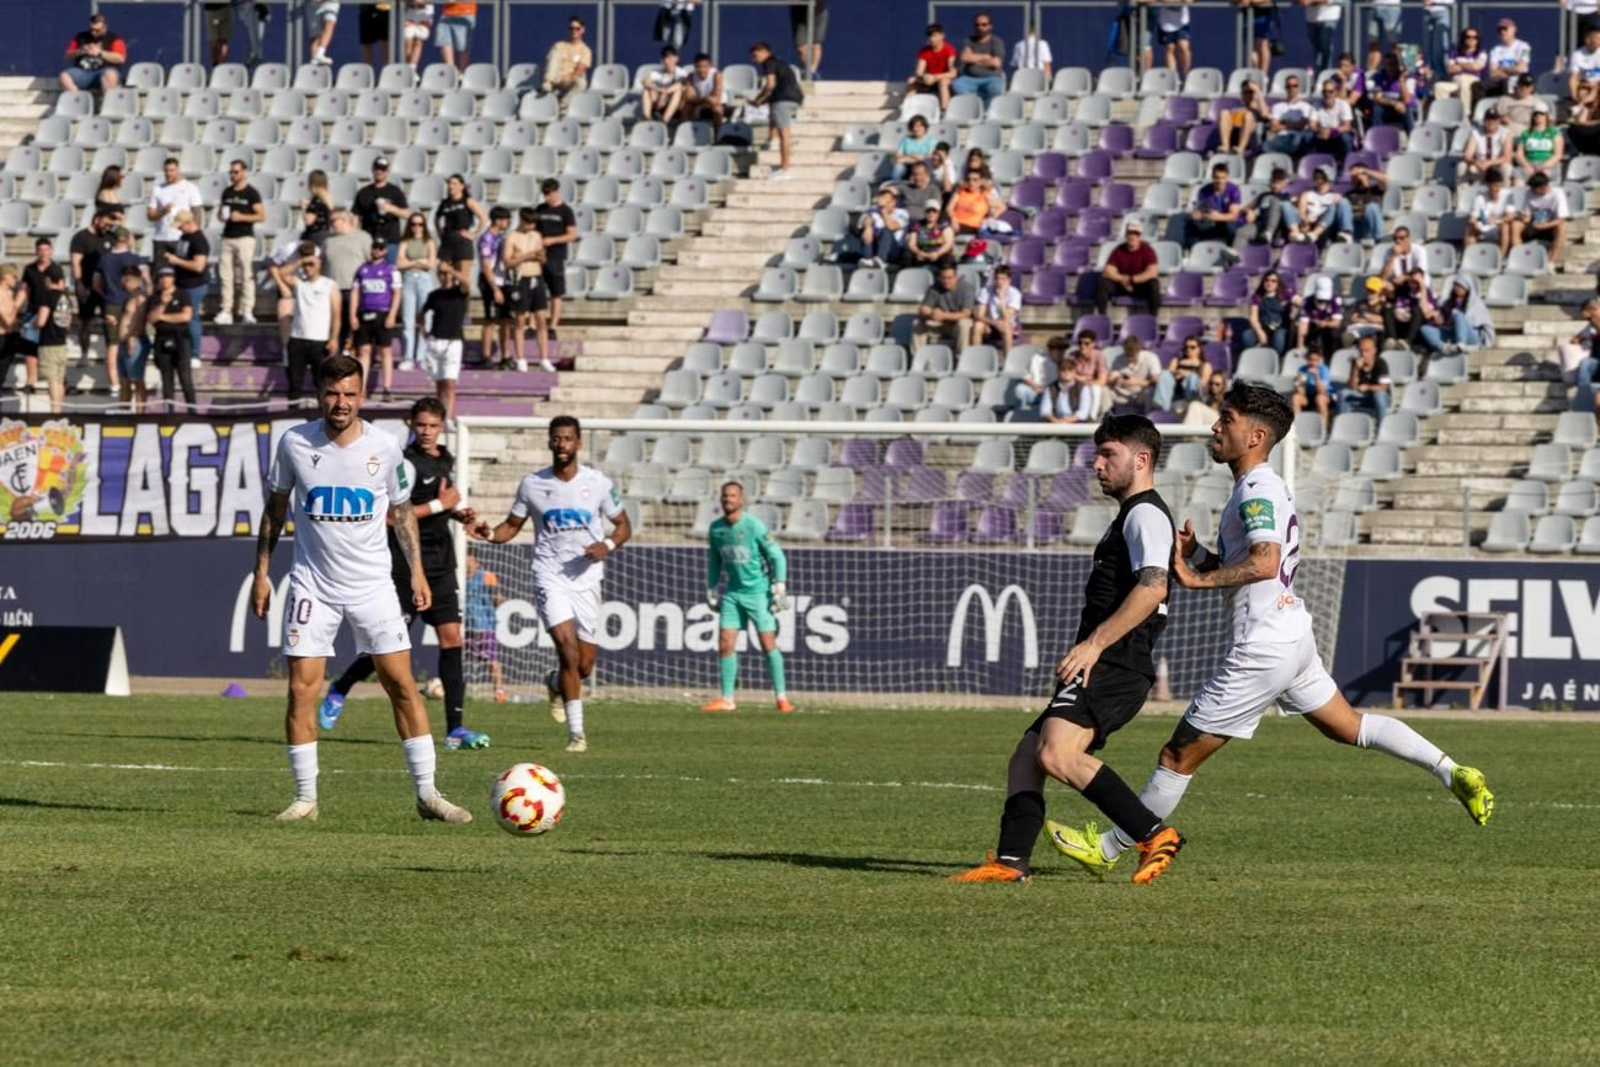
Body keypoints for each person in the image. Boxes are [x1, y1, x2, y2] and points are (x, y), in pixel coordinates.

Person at [1059, 384, 1494, 881]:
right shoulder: (1262, 488)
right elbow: (1253, 561)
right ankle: (1451, 769)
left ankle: (1113, 847)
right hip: (1291, 632)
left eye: (1227, 419)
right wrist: (1200, 556)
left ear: (1256, 435)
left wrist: (1198, 578)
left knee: (1177, 755)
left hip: (1263, 645)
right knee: (1348, 726)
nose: (1215, 427)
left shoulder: (1257, 489)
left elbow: (1264, 564)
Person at [951, 415, 1184, 886]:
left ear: (1141, 460)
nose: (1096, 465)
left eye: (1108, 455)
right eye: (1096, 455)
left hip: (1115, 659)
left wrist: (1095, 644)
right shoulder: (1132, 515)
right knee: (1027, 755)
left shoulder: (1145, 513)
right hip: (1105, 658)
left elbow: (1154, 588)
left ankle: (1154, 835)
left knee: (1057, 755)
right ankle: (1011, 861)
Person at [252, 354, 472, 824]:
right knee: (301, 689)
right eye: (333, 393)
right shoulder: (294, 443)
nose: (341, 403)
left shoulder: (385, 447)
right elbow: (275, 510)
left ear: (362, 395)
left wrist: (414, 572)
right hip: (313, 584)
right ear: (319, 394)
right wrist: (262, 571)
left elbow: (402, 511)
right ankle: (305, 798)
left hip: (373, 585)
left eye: (350, 394)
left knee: (401, 685)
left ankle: (428, 793)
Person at [319, 397, 490, 750]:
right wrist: (442, 505)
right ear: (411, 425)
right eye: (421, 425)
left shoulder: (444, 459)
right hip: (407, 566)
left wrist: (459, 514)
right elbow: (391, 517)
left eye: (433, 425)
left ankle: (455, 729)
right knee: (387, 645)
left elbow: (439, 506)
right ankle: (341, 687)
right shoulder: (404, 463)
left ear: (442, 426)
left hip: (441, 564)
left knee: (452, 640)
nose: (427, 432)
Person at [468, 416, 632, 754]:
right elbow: (511, 526)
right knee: (567, 650)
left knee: (583, 666)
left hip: (586, 578)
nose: (562, 445)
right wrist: (488, 534)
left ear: (579, 443)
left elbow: (622, 525)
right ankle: (577, 735)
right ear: (549, 442)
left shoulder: (597, 483)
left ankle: (556, 683)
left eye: (568, 439)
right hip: (550, 575)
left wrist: (609, 546)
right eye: (557, 439)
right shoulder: (532, 484)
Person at [699, 480, 794, 715]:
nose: (727, 500)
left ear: (741, 500)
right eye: (724, 496)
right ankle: (727, 699)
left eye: (732, 496)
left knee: (767, 644)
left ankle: (781, 698)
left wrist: (779, 587)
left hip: (758, 593)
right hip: (732, 594)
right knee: (725, 643)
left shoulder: (754, 526)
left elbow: (778, 556)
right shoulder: (716, 529)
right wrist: (711, 588)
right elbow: (714, 560)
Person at [277, 243, 341, 404]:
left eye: (311, 264)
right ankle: (292, 415)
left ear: (319, 264)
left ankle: (323, 416)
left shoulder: (329, 285)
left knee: (321, 383)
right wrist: (301, 261)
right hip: (298, 339)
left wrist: (334, 338)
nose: (308, 268)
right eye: (306, 265)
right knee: (294, 382)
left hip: (319, 340)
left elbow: (336, 315)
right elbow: (281, 272)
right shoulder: (300, 284)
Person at [501, 207, 552, 373]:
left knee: (541, 320)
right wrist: (526, 256)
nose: (531, 226)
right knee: (520, 320)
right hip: (520, 279)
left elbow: (543, 260)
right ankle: (521, 357)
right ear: (522, 220)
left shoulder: (536, 235)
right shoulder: (512, 237)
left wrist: (541, 257)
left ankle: (544, 358)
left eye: (534, 223)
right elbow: (507, 262)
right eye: (529, 223)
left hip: (536, 277)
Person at [214, 159, 264, 327]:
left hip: (244, 237)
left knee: (246, 275)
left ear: (244, 172)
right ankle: (226, 309)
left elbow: (260, 216)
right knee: (226, 276)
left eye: (236, 172)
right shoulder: (227, 192)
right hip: (228, 236)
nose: (233, 175)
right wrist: (221, 215)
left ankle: (247, 310)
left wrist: (242, 217)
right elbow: (220, 212)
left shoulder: (252, 193)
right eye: (231, 172)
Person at [350, 237, 400, 400]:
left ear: (385, 250)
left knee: (385, 350)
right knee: (363, 351)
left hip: (382, 312)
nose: (377, 250)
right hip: (365, 313)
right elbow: (355, 293)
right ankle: (361, 388)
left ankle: (387, 388)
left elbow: (397, 293)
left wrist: (392, 314)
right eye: (375, 247)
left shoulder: (391, 270)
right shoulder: (362, 269)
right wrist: (352, 315)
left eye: (380, 247)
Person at [68, 209, 114, 377]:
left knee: (109, 320)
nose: (108, 226)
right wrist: (78, 283)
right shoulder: (81, 238)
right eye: (106, 222)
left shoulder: (110, 236)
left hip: (106, 287)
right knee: (85, 321)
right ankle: (84, 353)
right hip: (87, 286)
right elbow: (75, 262)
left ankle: (112, 354)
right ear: (96, 219)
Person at [420, 260, 469, 419]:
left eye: (446, 273)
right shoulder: (434, 295)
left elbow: (466, 283)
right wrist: (424, 332)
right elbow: (421, 314)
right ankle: (440, 415)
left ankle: (449, 417)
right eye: (441, 273)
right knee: (439, 384)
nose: (444, 276)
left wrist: (452, 270)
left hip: (453, 342)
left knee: (450, 383)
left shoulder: (459, 292)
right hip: (436, 341)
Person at [163, 211, 210, 373]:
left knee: (191, 318)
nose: (179, 229)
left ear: (189, 223)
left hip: (194, 285)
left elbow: (198, 266)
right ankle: (184, 351)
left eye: (181, 226)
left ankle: (195, 354)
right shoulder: (185, 238)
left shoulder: (199, 241)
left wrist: (176, 260)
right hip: (181, 284)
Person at [750, 40, 804, 180]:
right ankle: (770, 141)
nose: (754, 60)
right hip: (795, 98)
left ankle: (785, 169)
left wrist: (758, 99)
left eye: (755, 56)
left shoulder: (769, 63)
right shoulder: (780, 63)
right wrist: (762, 101)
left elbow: (770, 85)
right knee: (772, 110)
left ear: (765, 52)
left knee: (784, 133)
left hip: (783, 100)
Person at [532, 179, 578, 340]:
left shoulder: (566, 211)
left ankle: (552, 326)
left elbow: (572, 234)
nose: (546, 198)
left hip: (556, 256)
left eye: (549, 194)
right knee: (536, 291)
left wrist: (552, 240)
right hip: (539, 255)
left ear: (555, 192)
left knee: (555, 293)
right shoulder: (540, 209)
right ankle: (533, 325)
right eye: (544, 194)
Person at [20, 238, 67, 396]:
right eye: (40, 249)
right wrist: (15, 307)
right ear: (36, 251)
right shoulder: (30, 269)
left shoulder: (56, 269)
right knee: (30, 350)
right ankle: (30, 381)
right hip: (33, 311)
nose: (43, 253)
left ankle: (58, 381)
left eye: (46, 249)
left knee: (52, 347)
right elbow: (24, 290)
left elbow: (61, 290)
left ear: (51, 250)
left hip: (50, 313)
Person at [323, 209, 372, 354]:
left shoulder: (363, 238)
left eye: (334, 220)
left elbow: (371, 261)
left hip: (356, 290)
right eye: (330, 221)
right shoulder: (328, 241)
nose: (331, 224)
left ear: (345, 219)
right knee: (337, 328)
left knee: (356, 327)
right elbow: (322, 263)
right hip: (334, 290)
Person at [147, 267, 195, 411]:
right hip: (162, 339)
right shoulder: (155, 297)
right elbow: (151, 319)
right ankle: (169, 412)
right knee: (166, 380)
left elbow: (185, 316)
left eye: (168, 276)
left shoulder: (182, 294)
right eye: (162, 277)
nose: (164, 279)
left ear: (173, 278)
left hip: (180, 338)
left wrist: (163, 317)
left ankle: (192, 411)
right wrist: (162, 305)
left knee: (185, 378)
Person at [463, 552, 507, 703]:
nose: (467, 565)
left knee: (492, 660)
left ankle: (499, 691)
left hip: (485, 626)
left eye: (469, 562)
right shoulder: (459, 576)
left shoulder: (486, 576)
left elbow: (497, 598)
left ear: (475, 561)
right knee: (457, 660)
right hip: (465, 628)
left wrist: (498, 599)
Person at [1094, 220, 1160, 316]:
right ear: (1126, 234)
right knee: (1103, 282)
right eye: (1130, 233)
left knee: (1154, 284)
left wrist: (1134, 279)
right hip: (1122, 284)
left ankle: (1153, 318)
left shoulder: (1148, 250)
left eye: (1136, 234)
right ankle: (1101, 316)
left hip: (1140, 285)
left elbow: (1152, 272)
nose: (1132, 236)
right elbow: (1107, 270)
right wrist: (1122, 279)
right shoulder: (1119, 250)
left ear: (1140, 236)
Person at [397, 213, 437, 370]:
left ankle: (421, 356)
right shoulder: (405, 241)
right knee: (408, 320)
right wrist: (417, 261)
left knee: (425, 319)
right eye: (413, 224)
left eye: (420, 224)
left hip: (424, 281)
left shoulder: (429, 241)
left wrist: (410, 262)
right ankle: (408, 356)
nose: (416, 227)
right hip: (408, 280)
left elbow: (430, 264)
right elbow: (399, 263)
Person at [432, 172, 488, 284]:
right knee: (444, 275)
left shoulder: (467, 201)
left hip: (462, 240)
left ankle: (463, 301)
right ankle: (447, 300)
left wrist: (475, 234)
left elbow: (484, 217)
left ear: (462, 186)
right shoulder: (445, 202)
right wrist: (439, 233)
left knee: (463, 278)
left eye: (454, 183)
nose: (450, 186)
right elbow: (436, 219)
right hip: (447, 240)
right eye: (449, 183)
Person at [1418, 273, 1493, 354]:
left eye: (1461, 286)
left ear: (1468, 288)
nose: (1458, 288)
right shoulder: (1448, 302)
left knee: (1457, 314)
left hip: (1470, 335)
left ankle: (1461, 343)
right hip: (1451, 333)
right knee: (1425, 328)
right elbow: (1443, 320)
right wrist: (1440, 321)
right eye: (1456, 285)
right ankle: (1443, 348)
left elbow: (1476, 323)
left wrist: (1455, 318)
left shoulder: (1476, 304)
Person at [146, 158, 202, 266]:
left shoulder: (190, 188)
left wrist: (194, 236)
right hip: (160, 238)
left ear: (178, 170)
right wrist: (163, 211)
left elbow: (197, 214)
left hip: (180, 237)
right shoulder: (158, 189)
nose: (168, 173)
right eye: (166, 171)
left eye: (172, 170)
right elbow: (150, 216)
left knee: (180, 274)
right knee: (160, 275)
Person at [476, 206, 513, 368]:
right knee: (490, 320)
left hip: (504, 280)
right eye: (505, 219)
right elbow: (485, 266)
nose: (508, 222)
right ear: (498, 220)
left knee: (506, 320)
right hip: (490, 281)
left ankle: (506, 355)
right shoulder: (486, 238)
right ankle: (486, 356)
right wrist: (495, 288)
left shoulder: (503, 237)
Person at [353, 158, 410, 262]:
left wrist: (391, 209)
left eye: (383, 169)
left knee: (390, 272)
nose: (379, 172)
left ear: (387, 172)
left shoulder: (395, 191)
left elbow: (407, 214)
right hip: (369, 240)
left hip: (390, 240)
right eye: (377, 169)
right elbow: (356, 216)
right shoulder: (364, 192)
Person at [112, 263, 150, 411]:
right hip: (123, 341)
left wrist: (132, 337)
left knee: (137, 380)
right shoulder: (130, 297)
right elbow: (128, 318)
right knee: (124, 381)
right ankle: (124, 413)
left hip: (135, 341)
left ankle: (140, 414)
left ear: (127, 279)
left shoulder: (140, 296)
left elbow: (140, 319)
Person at [33, 268, 72, 414]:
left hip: (48, 344)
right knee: (60, 379)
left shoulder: (47, 297)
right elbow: (68, 323)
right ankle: (59, 409)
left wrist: (34, 324)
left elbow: (41, 321)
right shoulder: (66, 298)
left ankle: (54, 411)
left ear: (48, 280)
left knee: (53, 380)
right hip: (61, 344)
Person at [913, 261, 974, 352]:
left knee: (964, 324)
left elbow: (966, 313)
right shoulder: (935, 288)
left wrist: (944, 315)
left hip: (956, 325)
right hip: (939, 323)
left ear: (956, 277)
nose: (946, 281)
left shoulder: (966, 288)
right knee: (917, 323)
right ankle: (916, 356)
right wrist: (931, 313)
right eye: (943, 278)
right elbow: (924, 308)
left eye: (950, 278)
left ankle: (961, 356)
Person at [1178, 163, 1243, 250]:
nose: (1220, 181)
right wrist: (1198, 215)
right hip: (1211, 221)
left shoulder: (1234, 190)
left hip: (1228, 222)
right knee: (1190, 224)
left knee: (1230, 226)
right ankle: (1193, 252)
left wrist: (1217, 217)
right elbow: (1202, 209)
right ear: (1212, 177)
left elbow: (1233, 216)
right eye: (1217, 177)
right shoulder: (1204, 191)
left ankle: (1232, 252)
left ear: (1227, 177)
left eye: (1223, 178)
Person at [1514, 172, 1569, 267]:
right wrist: (1520, 217)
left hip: (1550, 226)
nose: (1545, 188)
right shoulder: (1529, 193)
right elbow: (1526, 217)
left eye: (1545, 186)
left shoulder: (1557, 193)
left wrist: (1545, 225)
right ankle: (1518, 256)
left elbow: (1561, 218)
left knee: (1562, 226)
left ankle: (1551, 262)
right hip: (1534, 225)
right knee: (1515, 225)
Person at [60, 13, 126, 93]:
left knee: (110, 75)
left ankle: (107, 103)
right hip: (83, 72)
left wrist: (100, 53)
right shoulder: (80, 37)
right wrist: (80, 51)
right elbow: (67, 56)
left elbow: (120, 59)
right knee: (64, 76)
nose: (93, 33)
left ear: (105, 28)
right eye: (91, 29)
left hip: (104, 70)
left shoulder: (114, 38)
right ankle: (79, 100)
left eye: (97, 30)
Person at [952, 12, 1005, 105]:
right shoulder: (969, 41)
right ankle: (972, 108)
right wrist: (985, 57)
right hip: (969, 78)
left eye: (984, 25)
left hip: (991, 78)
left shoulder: (996, 42)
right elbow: (964, 58)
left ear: (990, 26)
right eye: (977, 25)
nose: (980, 27)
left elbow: (996, 63)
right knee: (957, 84)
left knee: (996, 89)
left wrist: (974, 59)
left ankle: (985, 112)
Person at [1152, 335, 1214, 411]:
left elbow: (1203, 384)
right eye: (1186, 347)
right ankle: (1163, 408)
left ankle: (1190, 404)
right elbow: (1168, 375)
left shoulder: (1205, 365)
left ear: (1199, 349)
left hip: (1192, 394)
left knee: (1192, 377)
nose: (1189, 349)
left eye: (1192, 347)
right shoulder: (1176, 361)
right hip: (1175, 393)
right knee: (1165, 373)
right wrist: (1177, 373)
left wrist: (1187, 375)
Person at [1340, 334, 1392, 423]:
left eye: (1367, 351)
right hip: (1363, 397)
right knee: (1343, 393)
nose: (1363, 354)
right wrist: (1356, 369)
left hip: (1381, 398)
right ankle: (1344, 424)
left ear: (1374, 351)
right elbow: (1351, 387)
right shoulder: (1355, 362)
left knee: (1378, 395)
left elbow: (1384, 387)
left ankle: (1382, 426)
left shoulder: (1381, 363)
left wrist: (1368, 387)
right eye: (1361, 351)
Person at [1242, 167, 1299, 246]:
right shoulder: (1263, 196)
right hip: (1262, 225)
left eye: (1278, 183)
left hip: (1279, 229)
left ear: (1284, 184)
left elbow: (1295, 213)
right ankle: (1235, 252)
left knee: (1275, 201)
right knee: (1241, 231)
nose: (1275, 186)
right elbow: (1246, 208)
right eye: (1273, 182)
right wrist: (1249, 212)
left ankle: (1269, 233)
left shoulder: (1287, 197)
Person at [1466, 167, 1516, 257]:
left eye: (1499, 185)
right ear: (1488, 185)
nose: (1498, 189)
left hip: (1499, 226)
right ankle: (1470, 257)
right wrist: (1475, 224)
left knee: (1505, 226)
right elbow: (1472, 218)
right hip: (1483, 226)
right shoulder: (1480, 198)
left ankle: (1500, 257)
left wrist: (1497, 221)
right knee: (1470, 228)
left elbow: (1511, 216)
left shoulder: (1508, 195)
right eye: (1495, 186)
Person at [1240, 271, 1294, 355]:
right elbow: (1253, 318)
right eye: (1267, 280)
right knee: (1247, 335)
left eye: (1273, 281)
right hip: (1263, 327)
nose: (1269, 283)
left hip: (1280, 328)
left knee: (1278, 336)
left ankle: (1276, 359)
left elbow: (1300, 301)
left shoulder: (1285, 294)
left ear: (1278, 283)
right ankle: (1252, 357)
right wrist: (1260, 332)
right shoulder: (1257, 297)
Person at [857, 186, 908, 270]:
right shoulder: (873, 210)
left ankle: (881, 259)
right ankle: (868, 258)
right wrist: (868, 227)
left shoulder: (902, 213)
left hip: (893, 250)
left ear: (894, 201)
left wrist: (883, 211)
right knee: (867, 229)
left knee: (887, 229)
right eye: (883, 197)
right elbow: (866, 219)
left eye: (888, 200)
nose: (886, 202)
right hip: (875, 247)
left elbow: (892, 226)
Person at [973, 264, 1022, 353]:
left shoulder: (1015, 294)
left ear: (1009, 280)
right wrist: (993, 323)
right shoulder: (986, 290)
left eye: (1003, 279)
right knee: (978, 325)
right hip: (990, 323)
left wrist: (1001, 298)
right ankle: (977, 356)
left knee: (1006, 326)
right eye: (997, 278)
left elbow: (1007, 317)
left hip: (1007, 324)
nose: (999, 281)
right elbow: (979, 315)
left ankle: (1007, 361)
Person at [541, 16, 592, 100]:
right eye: (571, 28)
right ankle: (548, 82)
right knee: (555, 52)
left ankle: (563, 106)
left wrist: (567, 77)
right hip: (555, 77)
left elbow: (580, 70)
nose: (574, 31)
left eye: (577, 28)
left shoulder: (585, 50)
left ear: (583, 30)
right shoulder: (559, 45)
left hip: (568, 80)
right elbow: (550, 62)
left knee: (581, 83)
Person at [909, 22, 958, 109]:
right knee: (911, 81)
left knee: (943, 82)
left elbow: (953, 73)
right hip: (929, 80)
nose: (932, 39)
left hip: (943, 79)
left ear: (942, 36)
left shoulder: (949, 49)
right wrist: (925, 77)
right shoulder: (924, 51)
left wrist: (935, 77)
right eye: (929, 36)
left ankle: (944, 110)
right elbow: (919, 72)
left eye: (935, 35)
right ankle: (908, 109)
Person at [1107, 335, 1161, 413]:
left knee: (1151, 392)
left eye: (1132, 355)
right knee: (1104, 390)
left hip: (1141, 393)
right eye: (1127, 355)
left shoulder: (1151, 358)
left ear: (1139, 351)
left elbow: (1156, 381)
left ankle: (1150, 418)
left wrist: (1136, 382)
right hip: (1121, 393)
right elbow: (1111, 379)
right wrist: (1117, 379)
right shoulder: (1119, 359)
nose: (1129, 358)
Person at [1292, 167, 1346, 245]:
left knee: (1332, 207)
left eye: (1322, 178)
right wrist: (1305, 220)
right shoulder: (1307, 194)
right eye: (1316, 178)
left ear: (1329, 180)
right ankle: (1309, 235)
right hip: (1309, 224)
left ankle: (1315, 234)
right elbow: (1302, 212)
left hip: (1326, 227)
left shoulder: (1335, 196)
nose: (1319, 181)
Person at [1264, 73, 1314, 156]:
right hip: (1281, 138)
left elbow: (1301, 125)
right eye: (1289, 86)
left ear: (1298, 88)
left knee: (1297, 141)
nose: (1292, 88)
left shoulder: (1306, 106)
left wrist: (1283, 123)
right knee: (1265, 146)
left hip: (1297, 137)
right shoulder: (1277, 106)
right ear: (1285, 88)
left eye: (1295, 86)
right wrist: (1292, 124)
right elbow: (1273, 127)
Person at [1307, 76, 1354, 163]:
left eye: (1330, 92)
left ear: (1336, 92)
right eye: (1324, 92)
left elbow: (1347, 126)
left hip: (1337, 133)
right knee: (1308, 136)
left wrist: (1331, 131)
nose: (1327, 94)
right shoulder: (1316, 105)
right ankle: (1311, 164)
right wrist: (1320, 130)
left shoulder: (1343, 105)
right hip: (1322, 133)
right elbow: (1311, 124)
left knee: (1346, 138)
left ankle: (1347, 164)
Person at [1481, 18, 1530, 101]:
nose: (1502, 32)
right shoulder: (1495, 50)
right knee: (1477, 86)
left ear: (1514, 30)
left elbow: (1521, 69)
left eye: (1505, 29)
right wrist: (1512, 70)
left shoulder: (1523, 46)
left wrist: (1501, 68)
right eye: (1499, 30)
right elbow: (1492, 73)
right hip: (1499, 83)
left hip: (1518, 83)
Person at [1216, 80, 1268, 155]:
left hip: (1250, 138)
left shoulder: (1260, 109)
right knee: (1224, 112)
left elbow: (1265, 115)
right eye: (1245, 93)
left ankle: (1241, 148)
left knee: (1248, 115)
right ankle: (1225, 146)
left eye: (1250, 92)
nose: (1248, 95)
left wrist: (1257, 91)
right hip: (1233, 134)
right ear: (1242, 95)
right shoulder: (1236, 109)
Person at [1297, 274, 1344, 356]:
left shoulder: (1336, 300)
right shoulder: (1307, 302)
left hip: (1330, 328)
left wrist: (1325, 323)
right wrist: (1300, 346)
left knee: (1334, 334)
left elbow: (1337, 323)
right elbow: (1303, 325)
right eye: (1320, 300)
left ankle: (1330, 357)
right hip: (1313, 326)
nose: (1322, 301)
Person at [945, 169, 1004, 235]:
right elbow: (949, 208)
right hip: (955, 224)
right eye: (968, 179)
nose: (971, 182)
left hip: (972, 226)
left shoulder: (985, 194)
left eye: (975, 180)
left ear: (980, 181)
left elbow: (1002, 207)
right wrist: (953, 218)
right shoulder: (960, 192)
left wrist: (991, 218)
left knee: (947, 232)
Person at [1461, 109, 1514, 181]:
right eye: (1488, 119)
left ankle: (1504, 191)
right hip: (1480, 164)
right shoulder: (1476, 133)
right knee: (1461, 166)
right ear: (1484, 121)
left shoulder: (1505, 133)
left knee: (1506, 168)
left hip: (1497, 164)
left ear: (1499, 121)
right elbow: (1467, 155)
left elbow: (1507, 157)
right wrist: (1476, 162)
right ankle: (1462, 191)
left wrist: (1489, 163)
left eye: (1494, 120)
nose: (1491, 122)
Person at [1145, 0, 1194, 77]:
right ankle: (1173, 77)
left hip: (1182, 22)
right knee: (1170, 48)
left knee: (1184, 46)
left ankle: (1187, 75)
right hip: (1166, 22)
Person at [1367, 49, 1413, 131]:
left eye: (1393, 64)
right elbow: (1377, 98)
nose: (1390, 68)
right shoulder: (1380, 76)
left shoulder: (1408, 78)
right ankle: (1377, 138)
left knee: (1406, 109)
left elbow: (1406, 100)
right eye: (1387, 65)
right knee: (1377, 109)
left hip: (1406, 110)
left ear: (1397, 65)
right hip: (1389, 108)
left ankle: (1413, 137)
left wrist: (1401, 80)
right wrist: (1394, 103)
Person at [682, 52, 726, 136]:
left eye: (705, 67)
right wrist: (704, 101)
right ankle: (686, 134)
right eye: (699, 67)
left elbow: (716, 99)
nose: (702, 70)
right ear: (695, 67)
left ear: (710, 66)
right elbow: (689, 98)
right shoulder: (690, 76)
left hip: (718, 103)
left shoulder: (717, 75)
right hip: (702, 102)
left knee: (717, 109)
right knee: (686, 107)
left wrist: (699, 101)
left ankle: (718, 136)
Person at [1438, 27, 1487, 101]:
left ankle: (1465, 112)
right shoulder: (1456, 53)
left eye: (1475, 37)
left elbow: (1476, 67)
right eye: (1468, 37)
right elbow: (1449, 69)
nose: (1472, 39)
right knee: (1439, 87)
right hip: (1455, 81)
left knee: (1464, 81)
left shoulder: (1481, 53)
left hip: (1472, 81)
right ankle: (1443, 111)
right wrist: (1468, 66)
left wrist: (1459, 64)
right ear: (1464, 38)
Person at [1290, 347, 1333, 431]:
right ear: (1306, 358)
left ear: (1320, 359)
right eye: (1310, 359)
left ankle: (1323, 430)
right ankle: (1298, 429)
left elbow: (1322, 391)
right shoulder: (1302, 369)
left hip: (1325, 396)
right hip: (1309, 396)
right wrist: (1298, 383)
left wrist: (1317, 376)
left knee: (1320, 398)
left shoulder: (1324, 370)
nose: (1313, 363)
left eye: (1316, 360)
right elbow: (1301, 391)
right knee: (1296, 398)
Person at [1343, 164, 1388, 244]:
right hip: (1354, 227)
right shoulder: (1348, 195)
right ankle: (1346, 235)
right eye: (1354, 177)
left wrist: (1364, 170)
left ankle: (1381, 240)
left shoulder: (1375, 190)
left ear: (1367, 176)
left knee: (1372, 207)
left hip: (1369, 227)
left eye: (1360, 175)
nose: (1357, 178)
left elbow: (1385, 179)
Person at [1514, 110, 1564, 183]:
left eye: (1541, 114)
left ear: (1546, 116)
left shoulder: (1554, 132)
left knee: (1544, 175)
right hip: (1529, 162)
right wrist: (1527, 166)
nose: (1538, 115)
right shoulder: (1526, 132)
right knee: (1517, 177)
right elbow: (1519, 153)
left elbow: (1558, 154)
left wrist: (1544, 166)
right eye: (1535, 114)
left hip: (1548, 163)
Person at [642, 46, 688, 123]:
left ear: (676, 58)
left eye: (669, 58)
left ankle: (664, 121)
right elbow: (645, 82)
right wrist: (657, 89)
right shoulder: (657, 73)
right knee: (646, 90)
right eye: (665, 58)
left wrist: (665, 93)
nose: (667, 61)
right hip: (659, 103)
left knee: (678, 89)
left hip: (676, 106)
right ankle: (647, 118)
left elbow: (680, 84)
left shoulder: (681, 73)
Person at [1420, 0, 1454, 92]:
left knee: (1439, 49)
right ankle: (1432, 81)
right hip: (1427, 12)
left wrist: (1435, 1)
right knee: (1428, 49)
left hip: (1442, 11)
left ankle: (1443, 78)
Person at [1300, 0, 1341, 73]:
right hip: (1311, 18)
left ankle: (1325, 74)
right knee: (1317, 49)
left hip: (1329, 16)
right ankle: (1319, 74)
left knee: (1325, 44)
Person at [434, 0, 475, 70]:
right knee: (444, 41)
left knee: (463, 46)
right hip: (447, 13)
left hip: (466, 12)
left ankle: (462, 74)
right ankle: (451, 71)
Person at [790, 0, 826, 78]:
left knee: (815, 44)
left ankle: (813, 71)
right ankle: (809, 70)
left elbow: (813, 2)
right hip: (799, 16)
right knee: (800, 47)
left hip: (817, 13)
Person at [893, 116, 936, 180]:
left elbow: (929, 158)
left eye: (919, 126)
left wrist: (909, 157)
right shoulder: (906, 140)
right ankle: (895, 184)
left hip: (924, 166)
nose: (916, 129)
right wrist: (915, 157)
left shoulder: (931, 141)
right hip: (907, 166)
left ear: (925, 127)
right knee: (898, 166)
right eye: (914, 126)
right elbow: (898, 156)